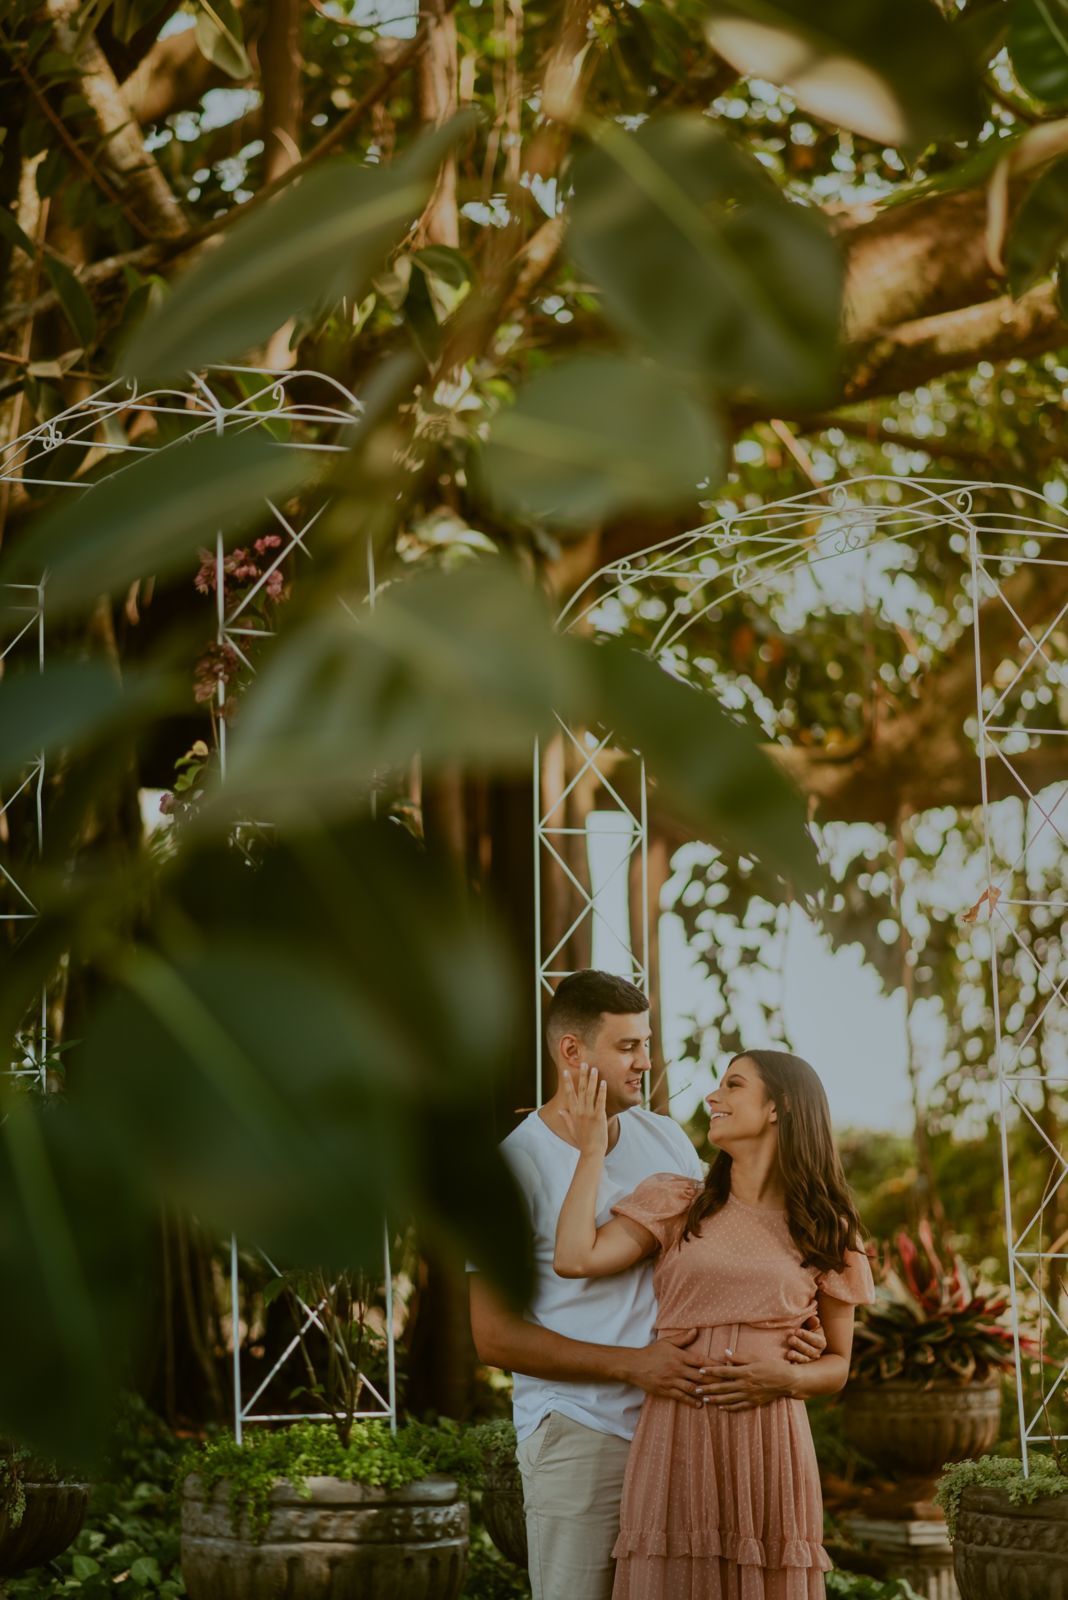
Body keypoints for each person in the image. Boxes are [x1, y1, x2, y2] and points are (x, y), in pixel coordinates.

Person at [469, 974, 827, 1600]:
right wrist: (633, 1367)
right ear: (572, 1053)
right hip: (583, 1429)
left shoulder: (662, 1139)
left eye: (648, 1043)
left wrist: (787, 1324)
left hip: (684, 1426)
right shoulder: (510, 1167)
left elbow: (727, 1240)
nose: (647, 1061)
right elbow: (495, 1337)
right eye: (629, 1046)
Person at [554, 1048, 875, 1600]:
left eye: (733, 1085)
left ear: (781, 1107)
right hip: (678, 1427)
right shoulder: (681, 1201)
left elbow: (838, 1366)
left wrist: (787, 1379)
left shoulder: (827, 1228)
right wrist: (590, 1154)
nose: (713, 1097)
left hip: (768, 1437)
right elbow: (574, 1258)